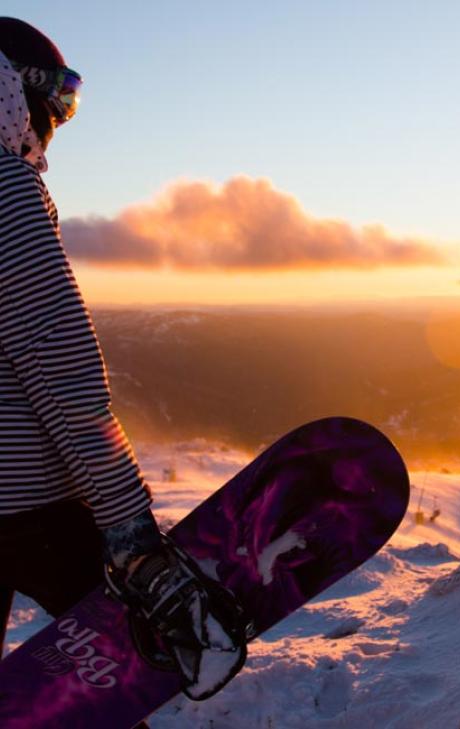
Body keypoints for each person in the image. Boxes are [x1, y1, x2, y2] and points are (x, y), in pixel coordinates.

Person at [0, 16, 244, 712]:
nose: (58, 120)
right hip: (27, 508)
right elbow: (57, 361)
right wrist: (131, 530)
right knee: (107, 692)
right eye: (58, 99)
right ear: (15, 91)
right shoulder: (4, 187)